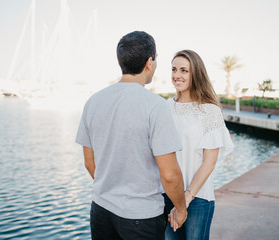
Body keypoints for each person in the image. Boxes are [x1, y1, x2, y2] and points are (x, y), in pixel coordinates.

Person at [76, 31, 187, 240]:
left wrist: (112, 189)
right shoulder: (156, 106)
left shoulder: (93, 102)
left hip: (100, 210)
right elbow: (170, 174)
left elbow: (89, 163)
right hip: (141, 216)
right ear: (149, 62)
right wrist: (181, 209)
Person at [164, 50, 234, 240]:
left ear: (196, 74)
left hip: (198, 198)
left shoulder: (209, 111)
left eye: (184, 70)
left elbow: (209, 163)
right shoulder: (165, 108)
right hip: (168, 196)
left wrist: (185, 200)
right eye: (174, 69)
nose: (177, 75)